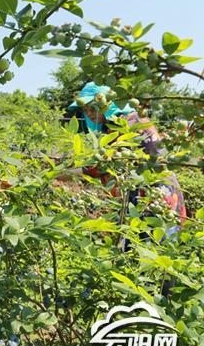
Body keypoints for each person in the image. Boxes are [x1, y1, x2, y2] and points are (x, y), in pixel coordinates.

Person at [67, 82, 187, 236]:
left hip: (155, 195)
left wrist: (68, 172)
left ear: (107, 104)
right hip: (149, 193)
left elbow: (104, 164)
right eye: (85, 110)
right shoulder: (122, 122)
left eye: (92, 108)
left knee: (154, 245)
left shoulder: (128, 123)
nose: (89, 114)